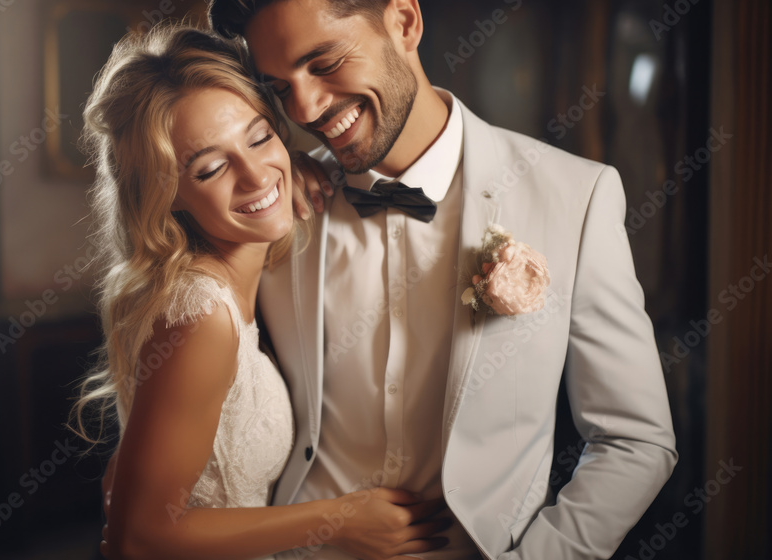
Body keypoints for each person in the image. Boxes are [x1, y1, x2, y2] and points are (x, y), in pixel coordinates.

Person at [202, 1, 679, 559]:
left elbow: (634, 440)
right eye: (281, 88)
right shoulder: (274, 209)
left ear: (404, 22)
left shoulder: (574, 197)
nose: (304, 108)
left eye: (324, 62)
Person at [73, 25, 449, 560]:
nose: (254, 176)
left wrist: (287, 167)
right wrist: (340, 520)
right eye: (210, 167)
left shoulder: (231, 276)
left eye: (258, 137)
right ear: (166, 192)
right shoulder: (202, 314)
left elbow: (132, 476)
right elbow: (138, 536)